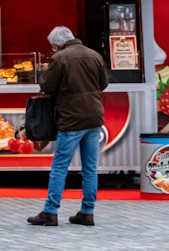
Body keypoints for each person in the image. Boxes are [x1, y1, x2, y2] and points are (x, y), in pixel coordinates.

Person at [27, 26, 109, 227]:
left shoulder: (60, 58)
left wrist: (43, 74)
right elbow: (104, 83)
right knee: (90, 167)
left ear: (57, 44)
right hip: (94, 117)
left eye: (53, 46)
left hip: (71, 118)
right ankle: (87, 212)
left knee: (60, 166)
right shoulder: (94, 55)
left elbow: (47, 86)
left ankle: (50, 211)